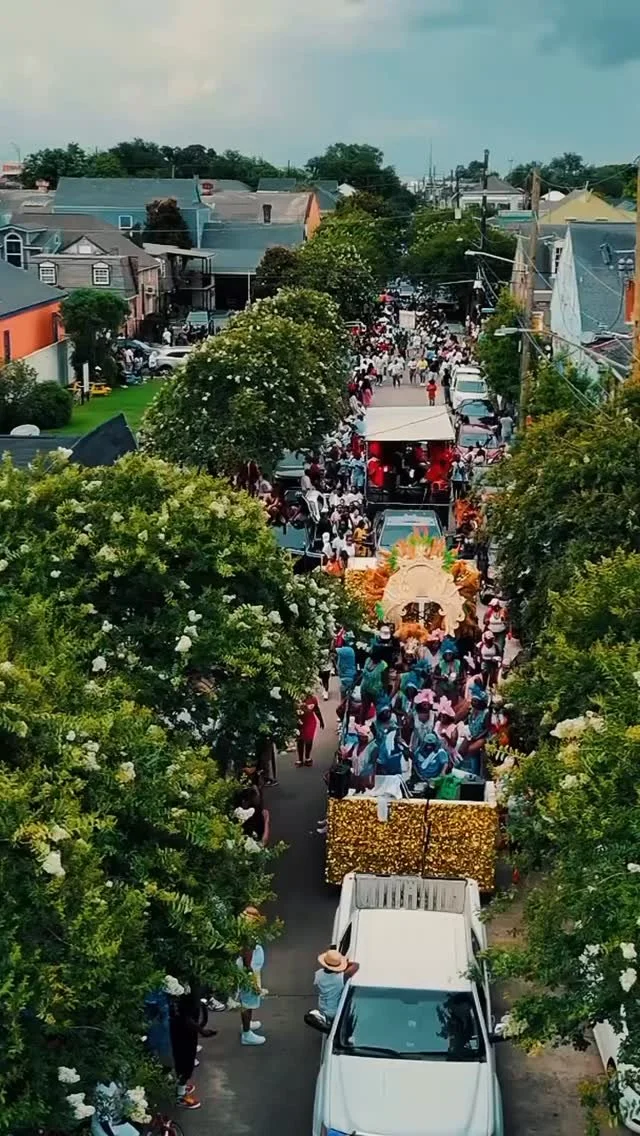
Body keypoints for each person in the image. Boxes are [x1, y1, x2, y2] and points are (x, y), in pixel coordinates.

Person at [236, 907, 267, 1046]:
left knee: (248, 1000)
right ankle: (246, 1033)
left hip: (251, 969)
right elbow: (247, 957)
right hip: (249, 971)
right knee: (248, 1001)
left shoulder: (244, 932)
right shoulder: (247, 937)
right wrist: (250, 977)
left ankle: (247, 1024)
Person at [312, 949, 360, 1024]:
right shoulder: (340, 978)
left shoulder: (318, 974)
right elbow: (356, 966)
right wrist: (345, 963)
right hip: (335, 1012)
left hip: (322, 1010)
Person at [296, 692, 325, 766]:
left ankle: (307, 757)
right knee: (300, 740)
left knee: (309, 740)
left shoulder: (312, 699)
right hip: (299, 722)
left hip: (310, 722)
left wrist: (321, 720)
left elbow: (316, 710)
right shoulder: (295, 699)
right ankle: (300, 759)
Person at [336, 631, 357, 699]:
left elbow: (332, 650)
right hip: (352, 674)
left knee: (343, 694)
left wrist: (333, 640)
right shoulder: (353, 649)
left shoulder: (344, 650)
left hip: (345, 675)